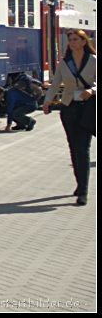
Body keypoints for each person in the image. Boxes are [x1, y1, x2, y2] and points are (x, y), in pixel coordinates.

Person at [42, 29, 97, 206]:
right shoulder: (64, 63)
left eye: (75, 39)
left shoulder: (94, 60)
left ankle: (83, 192)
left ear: (83, 41)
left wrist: (92, 90)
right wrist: (47, 101)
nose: (72, 42)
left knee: (83, 149)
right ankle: (79, 182)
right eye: (70, 40)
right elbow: (55, 83)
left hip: (87, 108)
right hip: (68, 108)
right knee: (73, 147)